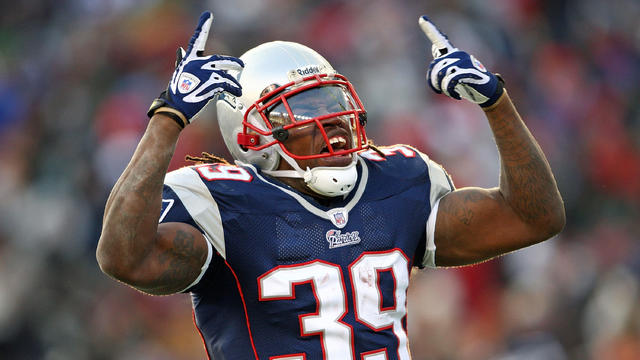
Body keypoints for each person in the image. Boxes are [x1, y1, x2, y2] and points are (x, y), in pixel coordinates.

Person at [97, 11, 565, 359]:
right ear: (252, 132)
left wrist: (496, 103)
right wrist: (168, 118)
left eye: (333, 100)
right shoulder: (222, 205)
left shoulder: (398, 184)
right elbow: (123, 256)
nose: (333, 121)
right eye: (305, 109)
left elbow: (534, 218)